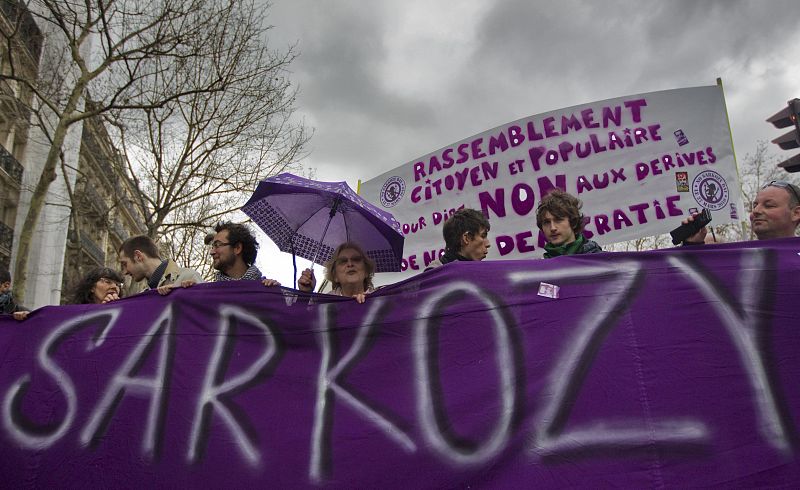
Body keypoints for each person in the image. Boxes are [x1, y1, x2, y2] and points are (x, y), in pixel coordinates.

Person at [682, 180, 800, 244]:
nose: (756, 211)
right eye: (755, 205)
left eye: (769, 205)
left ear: (796, 213)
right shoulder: (735, 259)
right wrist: (692, 245)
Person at [118, 235, 203, 295]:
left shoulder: (189, 277)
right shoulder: (145, 294)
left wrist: (187, 293)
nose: (125, 272)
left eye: (125, 264)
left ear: (138, 256)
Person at [206, 221, 280, 286]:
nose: (211, 252)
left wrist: (275, 293)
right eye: (213, 246)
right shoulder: (209, 295)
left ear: (237, 248)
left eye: (218, 245)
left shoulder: (267, 291)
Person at [298, 242, 374, 303]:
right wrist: (305, 295)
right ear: (335, 276)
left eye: (356, 259)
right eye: (343, 261)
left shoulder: (381, 299)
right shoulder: (322, 303)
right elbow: (297, 319)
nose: (350, 264)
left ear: (366, 271)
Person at [536, 189, 602, 258]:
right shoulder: (542, 267)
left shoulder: (600, 260)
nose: (553, 228)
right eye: (546, 222)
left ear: (573, 222)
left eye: (558, 220)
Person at [426, 208, 491, 269]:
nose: (488, 244)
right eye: (483, 236)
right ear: (467, 238)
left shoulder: (480, 271)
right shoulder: (434, 275)